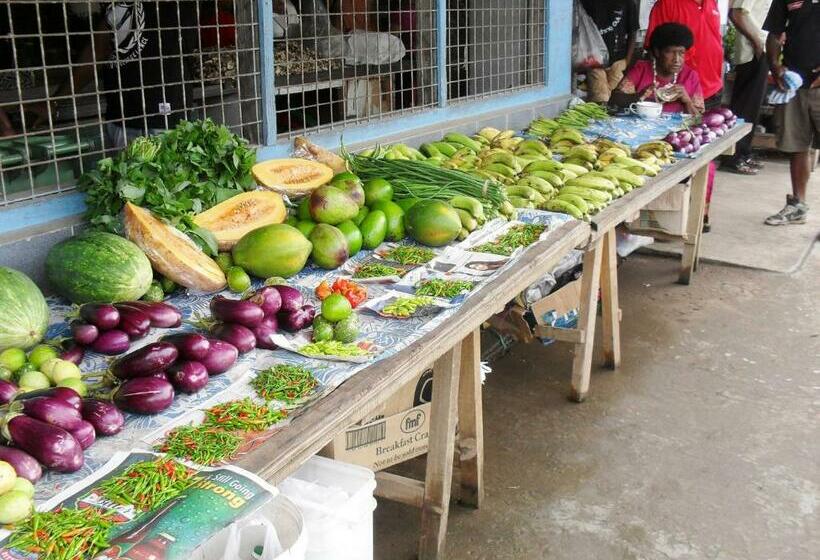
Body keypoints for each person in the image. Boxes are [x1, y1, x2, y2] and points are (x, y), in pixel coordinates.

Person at [31, 2, 195, 149]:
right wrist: (55, 100)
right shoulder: (116, 8)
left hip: (164, 117)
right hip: (123, 117)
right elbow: (98, 50)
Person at [761, 0, 819, 226]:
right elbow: (775, 33)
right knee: (796, 145)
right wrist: (775, 66)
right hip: (793, 85)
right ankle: (798, 205)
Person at [611, 22, 705, 115]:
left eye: (681, 53)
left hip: (678, 129)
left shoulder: (690, 76)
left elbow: (698, 119)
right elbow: (614, 100)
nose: (677, 59)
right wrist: (638, 96)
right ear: (657, 52)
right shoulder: (641, 70)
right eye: (670, 52)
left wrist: (687, 101)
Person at [724, 0, 772, 175]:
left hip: (761, 49)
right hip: (752, 52)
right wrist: (758, 42)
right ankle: (734, 156)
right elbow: (737, 13)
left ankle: (743, 153)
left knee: (752, 108)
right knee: (744, 107)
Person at [646, 0, 724, 108]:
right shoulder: (667, 3)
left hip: (714, 87)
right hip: (682, 91)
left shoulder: (712, 2)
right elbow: (654, 47)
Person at [580, 0, 640, 103]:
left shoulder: (628, 3)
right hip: (595, 60)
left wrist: (626, 61)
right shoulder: (588, 2)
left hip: (618, 60)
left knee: (618, 98)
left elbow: (633, 32)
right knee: (602, 98)